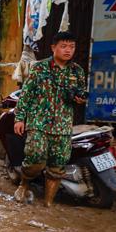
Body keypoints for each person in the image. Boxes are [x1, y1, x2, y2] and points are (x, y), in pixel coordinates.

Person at [13, 31, 87, 207]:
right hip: (39, 122)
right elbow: (26, 94)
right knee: (35, 159)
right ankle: (24, 183)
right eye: (64, 46)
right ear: (54, 47)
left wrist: (80, 99)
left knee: (57, 167)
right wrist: (19, 118)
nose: (68, 50)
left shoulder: (77, 71)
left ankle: (48, 205)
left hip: (63, 125)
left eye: (72, 46)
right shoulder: (39, 68)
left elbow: (81, 94)